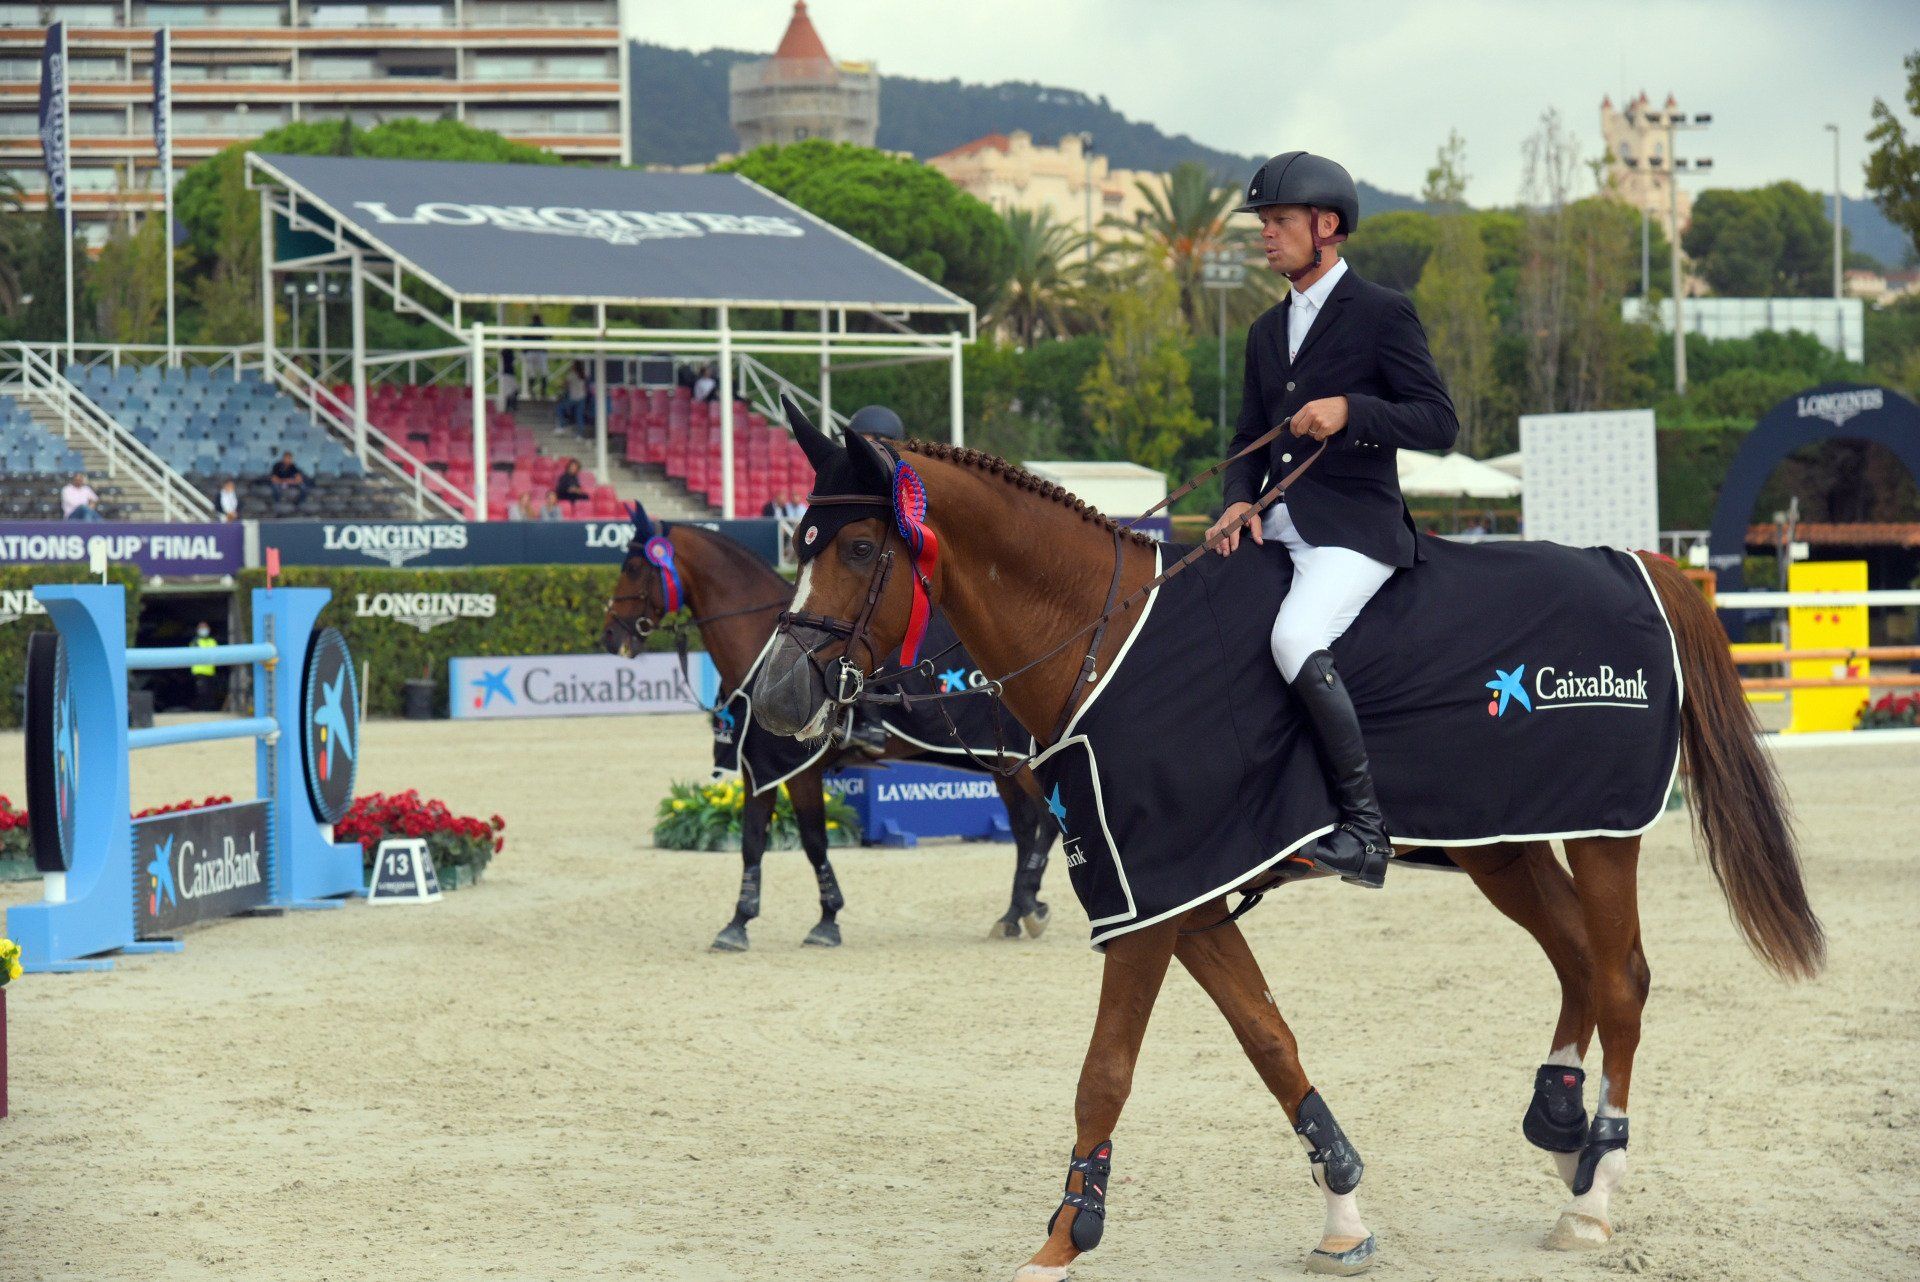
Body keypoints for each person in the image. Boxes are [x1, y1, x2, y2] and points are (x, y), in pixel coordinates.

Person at [1206, 150, 1458, 891]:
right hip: (1278, 525)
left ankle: (1365, 830)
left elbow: (1439, 421)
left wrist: (1353, 412)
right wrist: (1234, 499)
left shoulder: (1381, 313)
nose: (1265, 234)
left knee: (1294, 636)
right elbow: (1245, 437)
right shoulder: (1263, 331)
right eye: (1264, 222)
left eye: (1278, 221)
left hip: (1355, 530)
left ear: (1328, 227)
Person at [190, 622, 222, 712]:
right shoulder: (195, 642)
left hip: (211, 671)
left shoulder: (212, 641)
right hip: (199, 671)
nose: (204, 630)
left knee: (210, 693)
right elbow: (192, 655)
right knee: (202, 692)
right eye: (201, 628)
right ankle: (201, 711)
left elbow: (218, 655)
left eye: (205, 628)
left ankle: (210, 711)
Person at [557, 361, 591, 430]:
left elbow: (563, 385)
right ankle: (580, 435)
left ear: (574, 367)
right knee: (579, 416)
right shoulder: (584, 375)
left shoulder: (571, 375)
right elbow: (586, 387)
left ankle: (562, 425)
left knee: (560, 408)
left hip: (573, 398)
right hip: (582, 398)